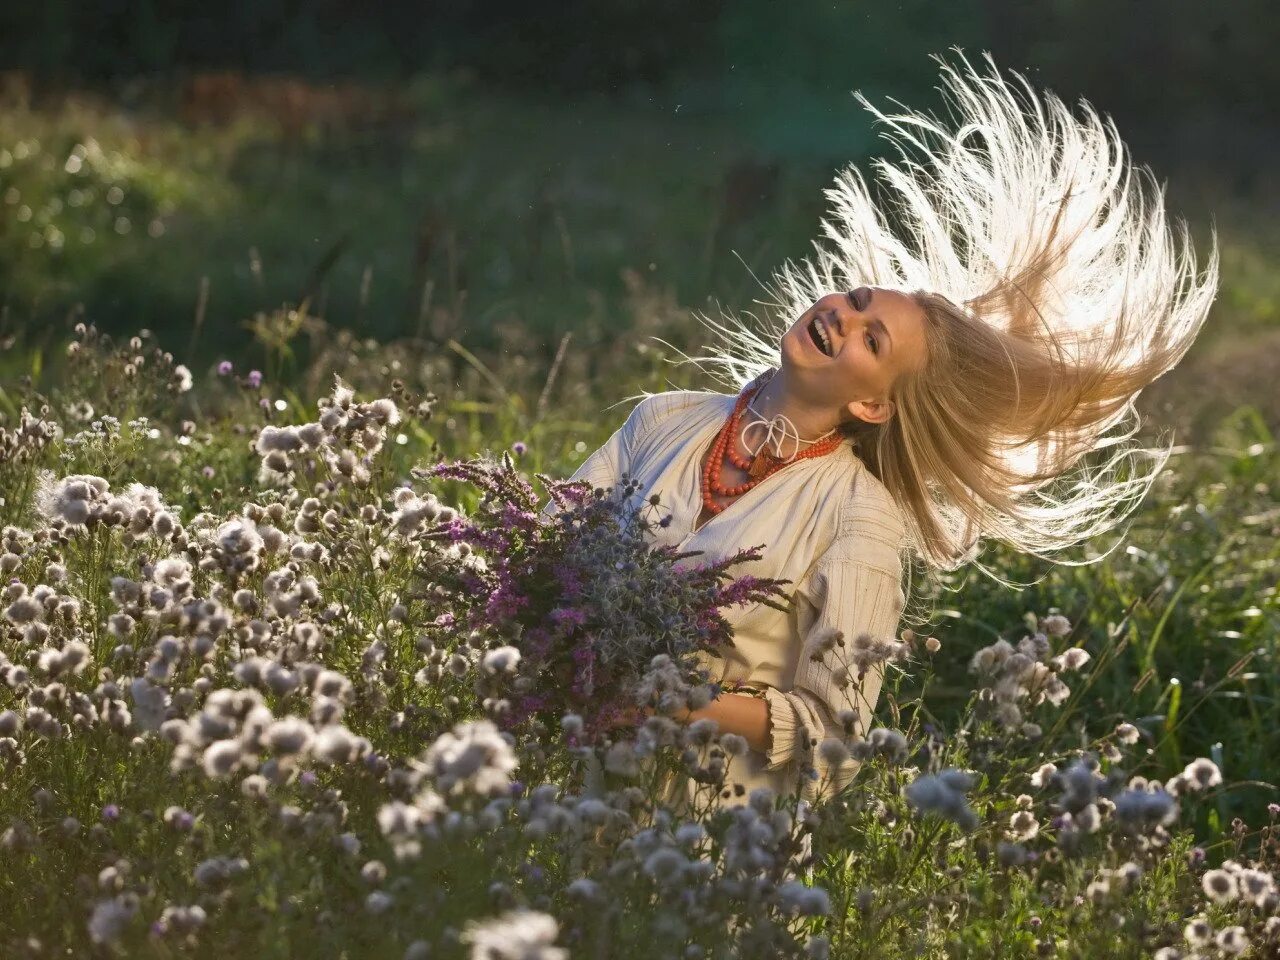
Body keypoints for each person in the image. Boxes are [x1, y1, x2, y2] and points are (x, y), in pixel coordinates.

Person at [548, 50, 1218, 813]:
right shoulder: (662, 418)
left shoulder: (860, 519)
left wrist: (674, 706)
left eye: (874, 340)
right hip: (552, 786)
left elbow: (834, 737)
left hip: (696, 846)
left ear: (874, 407)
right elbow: (541, 555)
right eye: (857, 299)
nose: (845, 315)